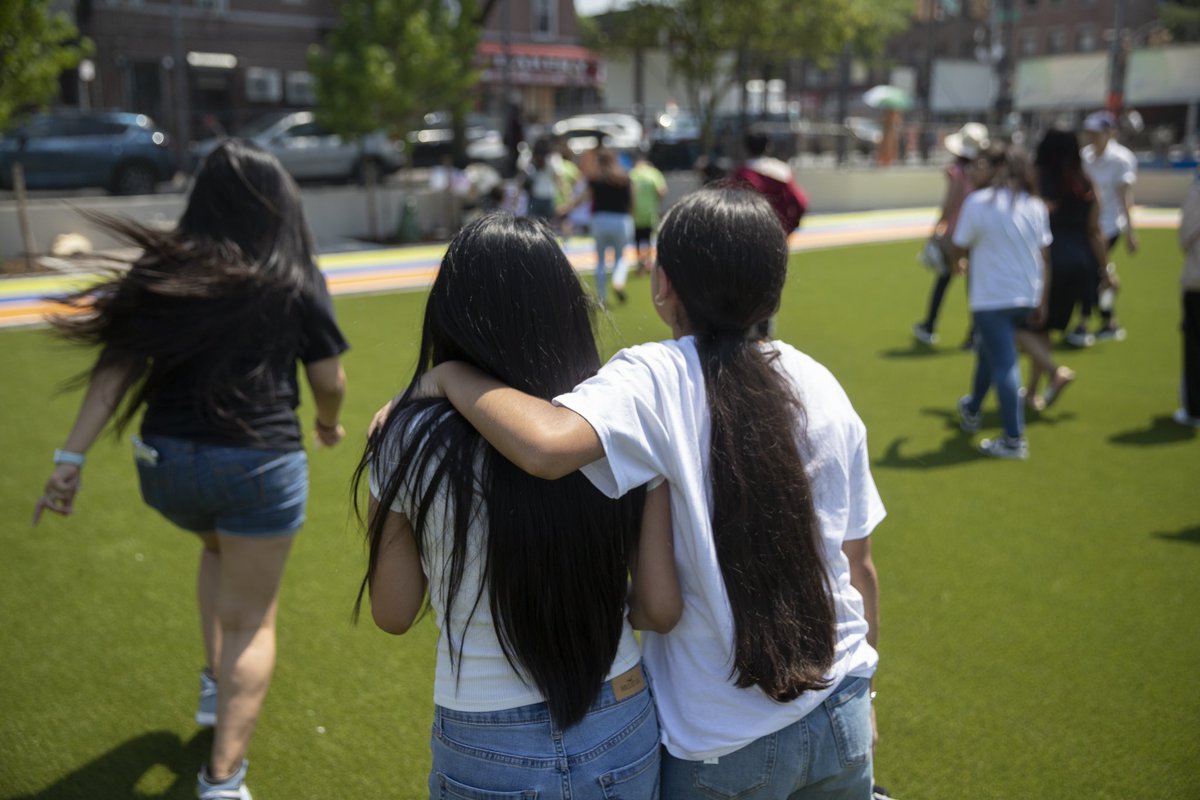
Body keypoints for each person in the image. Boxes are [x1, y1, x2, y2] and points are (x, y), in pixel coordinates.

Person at [406, 187, 885, 799]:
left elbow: (545, 446)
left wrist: (450, 375)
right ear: (776, 286)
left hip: (724, 740)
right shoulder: (818, 380)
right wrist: (867, 695)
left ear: (663, 285)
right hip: (842, 704)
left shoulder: (657, 375)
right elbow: (859, 568)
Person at [33, 139, 349, 800]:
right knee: (251, 623)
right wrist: (327, 423)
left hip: (168, 469)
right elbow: (330, 380)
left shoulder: (163, 266)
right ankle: (223, 781)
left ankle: (215, 682)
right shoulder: (291, 272)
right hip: (258, 466)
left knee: (215, 549)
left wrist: (70, 458)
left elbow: (115, 370)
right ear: (278, 203)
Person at [358, 213, 680, 798]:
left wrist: (391, 468)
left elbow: (394, 610)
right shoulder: (611, 418)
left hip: (483, 730)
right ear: (566, 309)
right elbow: (658, 605)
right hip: (618, 708)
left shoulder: (407, 434)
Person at [951, 144, 1052, 460]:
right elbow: (1044, 255)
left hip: (991, 298)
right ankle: (973, 408)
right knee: (989, 352)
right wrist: (1042, 299)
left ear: (997, 168)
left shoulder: (979, 202)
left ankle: (1013, 439)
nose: (976, 169)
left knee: (1005, 363)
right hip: (1026, 295)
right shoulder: (1034, 205)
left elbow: (958, 245)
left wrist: (955, 262)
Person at [1025, 129, 1107, 407]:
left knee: (1017, 327)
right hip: (1080, 262)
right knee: (1043, 329)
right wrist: (1105, 269)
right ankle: (1032, 392)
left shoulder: (1036, 181)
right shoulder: (1086, 183)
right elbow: (1094, 230)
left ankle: (1053, 372)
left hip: (1045, 261)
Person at [913, 122, 988, 347]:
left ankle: (929, 325)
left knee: (944, 278)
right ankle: (975, 333)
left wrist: (936, 230)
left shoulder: (958, 172)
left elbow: (950, 203)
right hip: (978, 234)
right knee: (974, 285)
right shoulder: (984, 173)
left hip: (957, 234)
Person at [1073, 110, 1137, 345]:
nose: (1092, 137)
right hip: (1087, 225)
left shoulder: (1122, 159)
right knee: (1099, 274)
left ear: (1110, 133)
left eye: (1097, 132)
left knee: (1092, 272)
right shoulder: (1085, 156)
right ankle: (1109, 320)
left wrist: (1130, 232)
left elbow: (1125, 197)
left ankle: (1083, 323)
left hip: (1109, 226)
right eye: (1090, 132)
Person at [563, 146, 634, 305]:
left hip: (599, 220)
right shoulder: (625, 178)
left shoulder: (595, 180)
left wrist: (566, 207)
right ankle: (618, 281)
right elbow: (632, 202)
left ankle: (602, 296)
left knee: (600, 260)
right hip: (621, 219)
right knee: (620, 257)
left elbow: (582, 199)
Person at [732, 128, 808, 235]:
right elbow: (800, 202)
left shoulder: (741, 174)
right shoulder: (782, 171)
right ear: (768, 146)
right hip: (778, 230)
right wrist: (790, 227)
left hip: (750, 232)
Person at [1177, 169, 1200, 427]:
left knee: (1195, 345)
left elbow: (1185, 236)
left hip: (1197, 281)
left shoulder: (1197, 192)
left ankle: (1195, 409)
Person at [629, 149, 668, 274]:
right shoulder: (653, 173)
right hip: (650, 212)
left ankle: (640, 264)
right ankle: (648, 262)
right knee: (649, 239)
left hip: (635, 213)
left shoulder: (632, 174)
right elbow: (662, 191)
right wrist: (657, 203)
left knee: (637, 240)